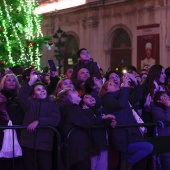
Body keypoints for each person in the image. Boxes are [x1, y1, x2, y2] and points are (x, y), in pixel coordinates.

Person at [100, 74, 153, 170]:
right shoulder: (107, 99)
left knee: (128, 160)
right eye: (111, 84)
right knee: (148, 147)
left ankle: (126, 164)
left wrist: (136, 83)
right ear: (105, 90)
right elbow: (121, 104)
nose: (115, 84)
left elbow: (138, 96)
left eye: (114, 83)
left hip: (132, 134)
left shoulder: (122, 96)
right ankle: (129, 163)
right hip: (122, 137)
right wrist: (124, 87)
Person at [18, 71, 61, 170]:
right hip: (28, 143)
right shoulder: (29, 104)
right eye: (38, 90)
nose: (42, 91)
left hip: (44, 144)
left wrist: (38, 121)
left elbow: (55, 119)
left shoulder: (52, 104)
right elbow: (21, 97)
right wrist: (31, 81)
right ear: (33, 95)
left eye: (43, 89)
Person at [57, 88, 95, 170]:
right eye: (73, 92)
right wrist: (87, 110)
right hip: (78, 151)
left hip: (71, 150)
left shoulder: (64, 110)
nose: (77, 92)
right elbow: (88, 122)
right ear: (69, 98)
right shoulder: (73, 109)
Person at [79, 93, 116, 170]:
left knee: (102, 167)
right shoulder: (83, 112)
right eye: (87, 97)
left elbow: (106, 120)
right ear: (82, 103)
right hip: (92, 146)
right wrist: (104, 117)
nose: (91, 98)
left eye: (92, 97)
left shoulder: (99, 110)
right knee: (92, 167)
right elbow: (91, 122)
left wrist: (111, 121)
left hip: (102, 144)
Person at [151, 91, 170, 170]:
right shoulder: (156, 109)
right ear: (158, 100)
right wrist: (168, 106)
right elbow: (167, 119)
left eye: (167, 95)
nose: (168, 97)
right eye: (164, 96)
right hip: (164, 142)